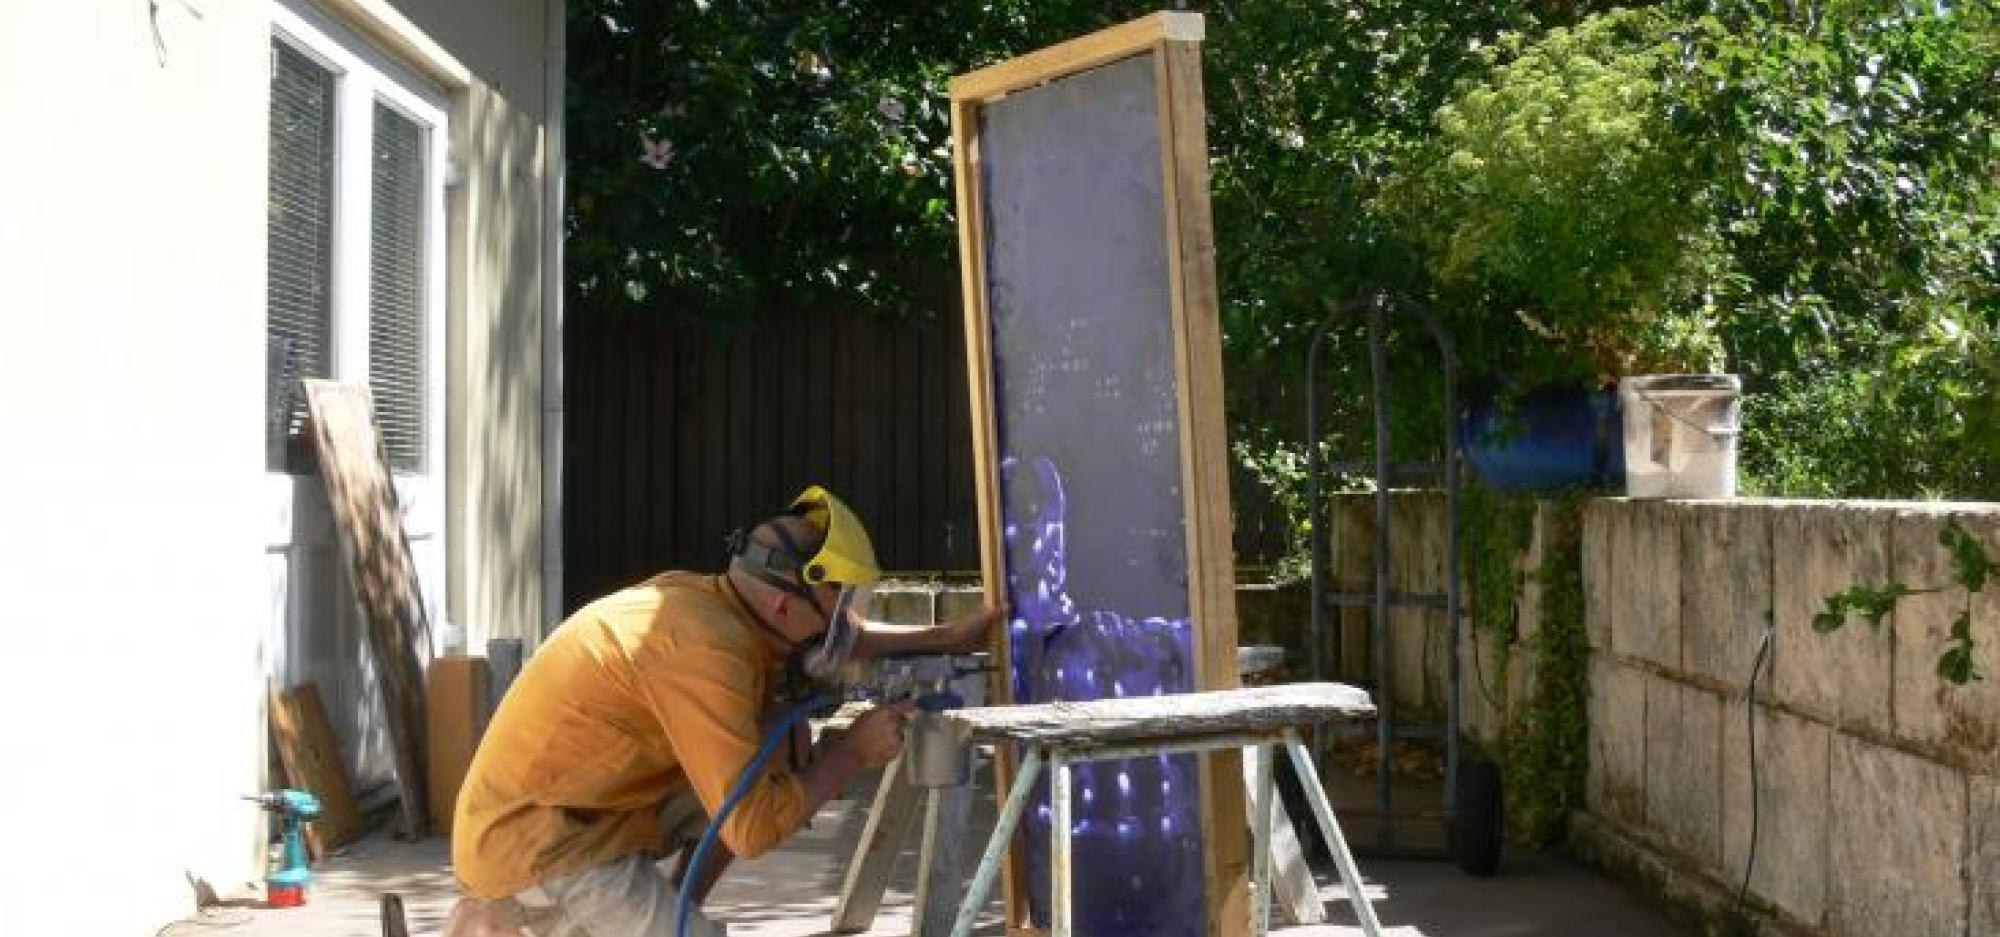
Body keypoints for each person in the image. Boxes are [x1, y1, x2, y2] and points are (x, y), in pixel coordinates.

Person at [444, 487, 1001, 936]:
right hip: (541, 845)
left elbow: (841, 641)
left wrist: (948, 636)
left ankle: (670, 912)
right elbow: (751, 829)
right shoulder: (705, 653)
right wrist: (850, 755)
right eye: (836, 612)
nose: (843, 630)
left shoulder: (713, 604)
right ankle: (512, 912)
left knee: (775, 751)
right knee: (761, 796)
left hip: (581, 808)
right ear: (785, 604)